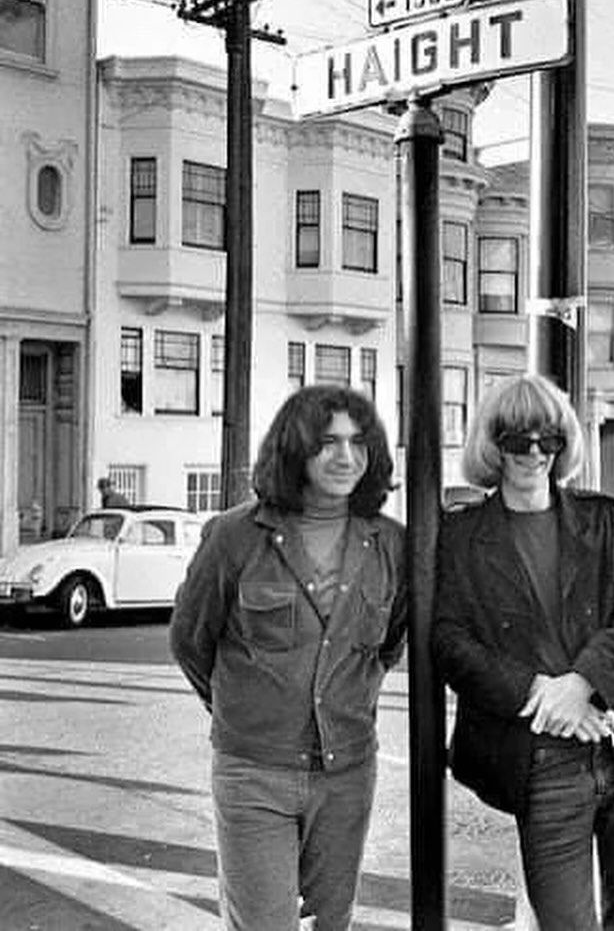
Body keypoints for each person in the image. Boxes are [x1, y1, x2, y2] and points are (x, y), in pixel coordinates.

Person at [432, 374, 614, 931]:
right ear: (493, 444)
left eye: (549, 440)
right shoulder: (461, 537)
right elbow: (450, 642)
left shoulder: (604, 520)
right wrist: (541, 693)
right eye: (519, 440)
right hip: (541, 764)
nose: (535, 453)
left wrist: (583, 684)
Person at [169, 384, 407, 931]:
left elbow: (389, 644)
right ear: (295, 448)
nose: (345, 457)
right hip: (253, 774)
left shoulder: (392, 544)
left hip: (346, 774)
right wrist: (247, 711)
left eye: (358, 443)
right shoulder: (234, 537)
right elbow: (190, 640)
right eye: (327, 442)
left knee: (330, 923)